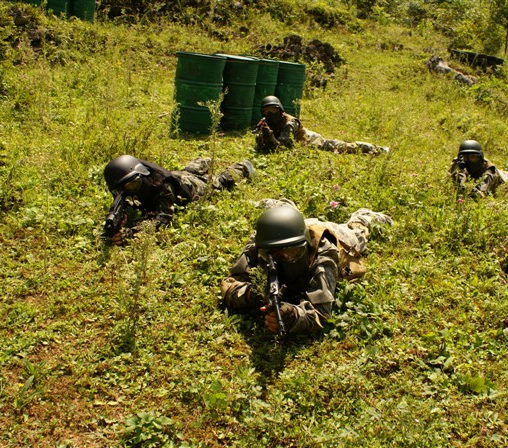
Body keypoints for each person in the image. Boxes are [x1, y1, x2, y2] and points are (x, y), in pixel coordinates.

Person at [220, 199, 392, 336]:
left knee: (356, 235)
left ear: (306, 245)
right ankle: (283, 205)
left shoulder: (324, 253)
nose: (284, 260)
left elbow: (321, 313)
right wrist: (253, 294)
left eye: (292, 253)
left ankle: (362, 217)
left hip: (331, 233)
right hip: (289, 228)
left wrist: (293, 316)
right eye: (275, 254)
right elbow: (230, 284)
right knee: (283, 217)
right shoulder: (261, 243)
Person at [103, 154, 254, 244]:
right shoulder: (127, 191)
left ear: (143, 175)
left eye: (133, 184)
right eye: (121, 189)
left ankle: (243, 167)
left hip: (189, 187)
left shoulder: (162, 187)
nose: (129, 190)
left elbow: (162, 218)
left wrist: (133, 233)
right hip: (177, 176)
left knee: (218, 182)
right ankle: (200, 163)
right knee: (186, 172)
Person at [253, 96, 389, 155]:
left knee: (343, 147)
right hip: (299, 143)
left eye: (273, 110)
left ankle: (378, 149)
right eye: (266, 111)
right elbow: (257, 136)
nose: (269, 114)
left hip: (312, 141)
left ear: (280, 109)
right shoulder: (265, 121)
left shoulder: (290, 123)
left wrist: (269, 138)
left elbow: (283, 145)